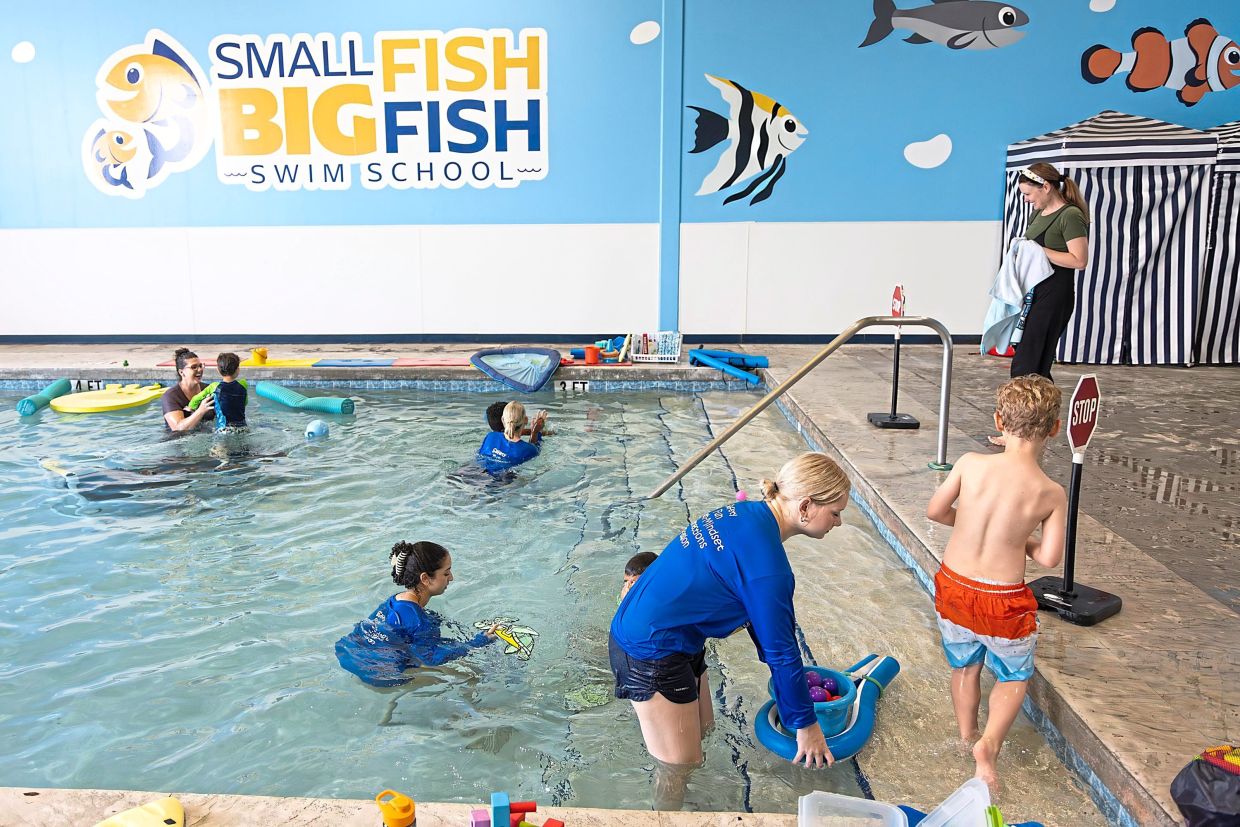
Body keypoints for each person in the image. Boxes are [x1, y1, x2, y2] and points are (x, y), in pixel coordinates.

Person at [609, 452, 849, 807]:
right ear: (807, 506)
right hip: (649, 649)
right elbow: (782, 652)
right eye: (836, 512)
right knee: (679, 766)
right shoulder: (769, 569)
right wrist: (807, 725)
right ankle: (665, 815)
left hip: (674, 636)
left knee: (704, 730)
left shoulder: (742, 514)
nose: (839, 522)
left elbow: (763, 629)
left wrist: (794, 701)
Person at [925, 375, 1067, 789]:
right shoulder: (1050, 491)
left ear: (999, 420)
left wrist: (968, 522)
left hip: (953, 584)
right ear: (1054, 428)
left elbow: (935, 511)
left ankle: (965, 735)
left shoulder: (970, 463)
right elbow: (1049, 557)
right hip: (1001, 599)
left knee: (966, 667)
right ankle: (988, 745)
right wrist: (1019, 540)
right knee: (1013, 675)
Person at [335, 541, 497, 687]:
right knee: (470, 677)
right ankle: (468, 715)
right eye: (446, 573)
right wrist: (479, 642)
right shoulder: (418, 621)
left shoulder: (395, 601)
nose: (452, 578)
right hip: (380, 674)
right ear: (425, 578)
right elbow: (432, 659)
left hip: (351, 656)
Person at [1010, 163, 1090, 383]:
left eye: (1028, 194)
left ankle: (1028, 413)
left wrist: (1038, 250)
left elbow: (1079, 260)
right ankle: (1040, 412)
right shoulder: (1037, 214)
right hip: (1034, 293)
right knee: (1034, 362)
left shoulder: (1070, 216)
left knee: (1027, 364)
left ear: (1045, 187)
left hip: (1054, 296)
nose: (1026, 200)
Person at [477, 401, 547, 473]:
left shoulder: (491, 436)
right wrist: (536, 432)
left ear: (503, 419)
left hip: (472, 471)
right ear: (526, 420)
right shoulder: (529, 449)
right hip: (501, 481)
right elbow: (535, 449)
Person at [160, 348, 215, 432]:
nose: (199, 370)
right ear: (181, 372)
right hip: (179, 441)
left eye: (200, 366)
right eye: (194, 367)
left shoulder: (208, 389)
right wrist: (200, 411)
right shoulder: (171, 396)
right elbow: (178, 428)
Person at [210, 352, 247, 430]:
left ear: (218, 370)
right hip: (242, 427)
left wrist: (191, 406)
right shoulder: (243, 384)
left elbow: (198, 397)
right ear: (238, 370)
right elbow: (245, 402)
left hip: (223, 429)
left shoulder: (214, 386)